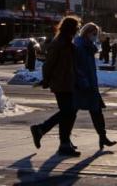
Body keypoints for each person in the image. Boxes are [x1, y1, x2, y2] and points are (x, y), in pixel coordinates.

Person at [30, 15, 81, 157]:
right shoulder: (58, 43)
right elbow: (48, 65)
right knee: (67, 111)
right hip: (61, 83)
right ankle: (41, 129)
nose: (77, 30)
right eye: (76, 28)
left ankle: (64, 142)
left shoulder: (69, 43)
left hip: (69, 83)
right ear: (70, 28)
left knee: (70, 112)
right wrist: (46, 80)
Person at [73, 22, 117, 150]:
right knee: (69, 114)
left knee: (97, 112)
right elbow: (78, 67)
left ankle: (103, 137)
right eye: (93, 34)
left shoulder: (88, 46)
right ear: (87, 33)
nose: (95, 37)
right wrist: (84, 82)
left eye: (96, 34)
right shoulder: (81, 46)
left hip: (91, 85)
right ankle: (60, 137)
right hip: (84, 86)